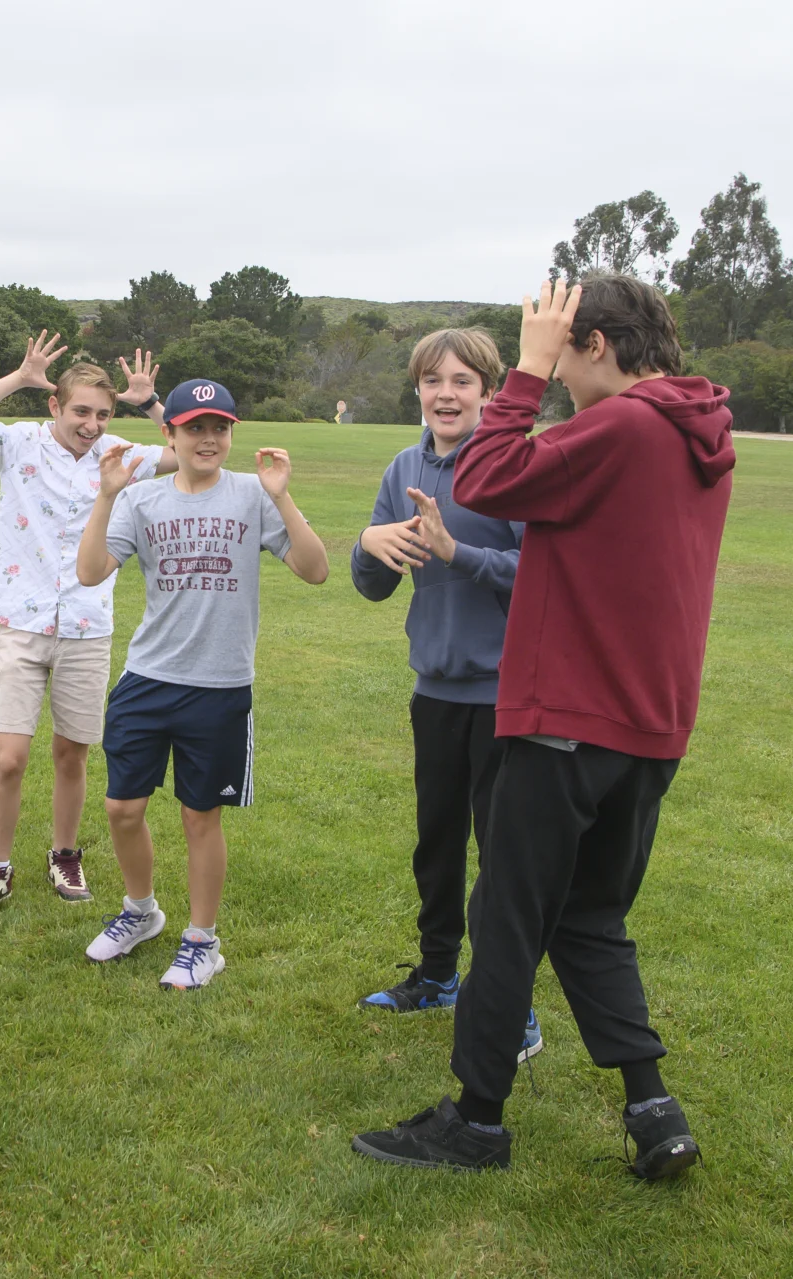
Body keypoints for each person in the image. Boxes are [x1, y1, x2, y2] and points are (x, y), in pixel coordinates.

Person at [351, 276, 734, 1177]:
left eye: (559, 354)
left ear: (595, 343)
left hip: (568, 716)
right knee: (590, 918)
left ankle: (475, 1121)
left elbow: (487, 474)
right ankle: (653, 1108)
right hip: (649, 723)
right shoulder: (694, 430)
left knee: (509, 915)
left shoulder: (624, 424)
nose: (553, 374)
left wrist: (516, 374)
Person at [77, 378, 330, 989]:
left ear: (231, 433)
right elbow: (89, 574)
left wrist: (283, 498)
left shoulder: (253, 494)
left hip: (218, 685)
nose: (208, 439)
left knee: (200, 816)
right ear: (171, 434)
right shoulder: (142, 499)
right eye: (194, 428)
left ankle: (201, 941)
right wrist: (107, 496)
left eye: (219, 428)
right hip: (147, 676)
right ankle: (141, 912)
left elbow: (315, 570)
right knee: (121, 807)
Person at [350, 328, 544, 1066]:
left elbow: (541, 574)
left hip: (507, 697)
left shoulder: (513, 466)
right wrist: (369, 546)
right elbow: (374, 583)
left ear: (489, 391)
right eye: (433, 381)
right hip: (435, 692)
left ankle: (513, 1006)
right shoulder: (405, 465)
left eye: (462, 381)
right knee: (437, 847)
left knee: (504, 858)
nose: (446, 394)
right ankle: (437, 976)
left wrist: (457, 552)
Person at [0, 331, 174, 918]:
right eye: (80, 411)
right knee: (10, 757)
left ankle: (65, 853)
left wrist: (149, 403)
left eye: (102, 413)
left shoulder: (121, 454)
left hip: (86, 625)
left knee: (72, 753)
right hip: (21, 622)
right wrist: (20, 376)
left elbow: (191, 444)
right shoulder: (18, 444)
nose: (92, 424)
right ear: (55, 406)